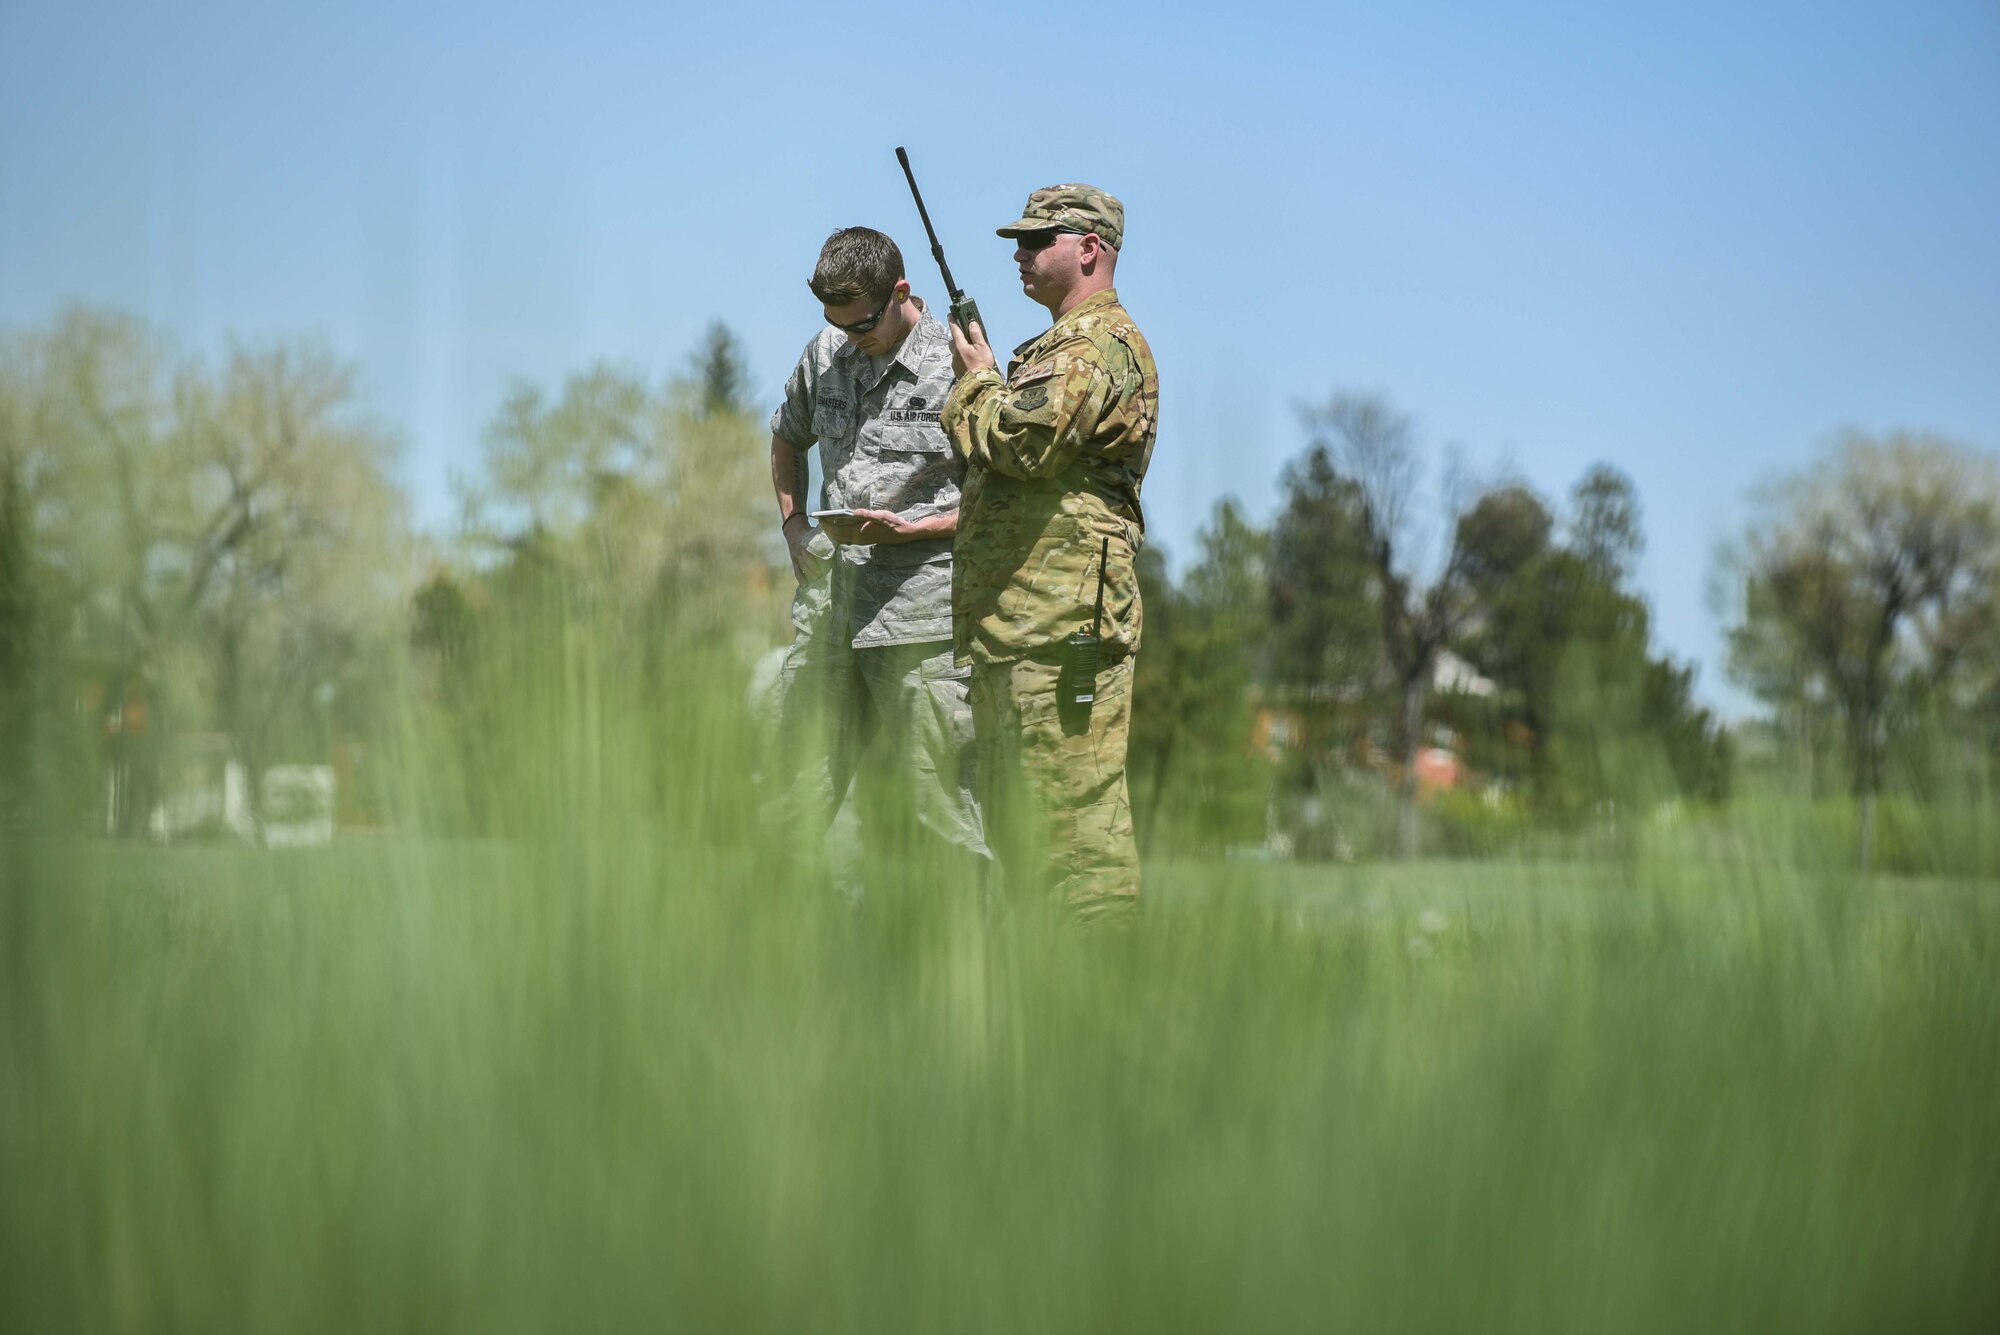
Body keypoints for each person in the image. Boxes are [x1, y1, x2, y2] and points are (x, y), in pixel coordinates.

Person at [941, 185, 1159, 923]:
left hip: (1063, 631)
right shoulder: (1061, 349)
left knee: (1077, 847)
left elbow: (1022, 443)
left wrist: (974, 382)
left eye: (1039, 240)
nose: (1020, 254)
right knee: (1029, 843)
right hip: (1023, 631)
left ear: (1089, 248)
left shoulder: (1095, 345)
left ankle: (1104, 1017)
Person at [768, 226, 986, 890]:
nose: (851, 336)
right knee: (790, 807)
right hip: (830, 616)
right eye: (836, 322)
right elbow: (785, 435)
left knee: (938, 809)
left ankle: (965, 979)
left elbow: (997, 495)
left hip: (922, 620)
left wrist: (912, 530)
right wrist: (793, 523)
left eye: (863, 321)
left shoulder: (961, 363)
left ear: (901, 293)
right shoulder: (826, 350)